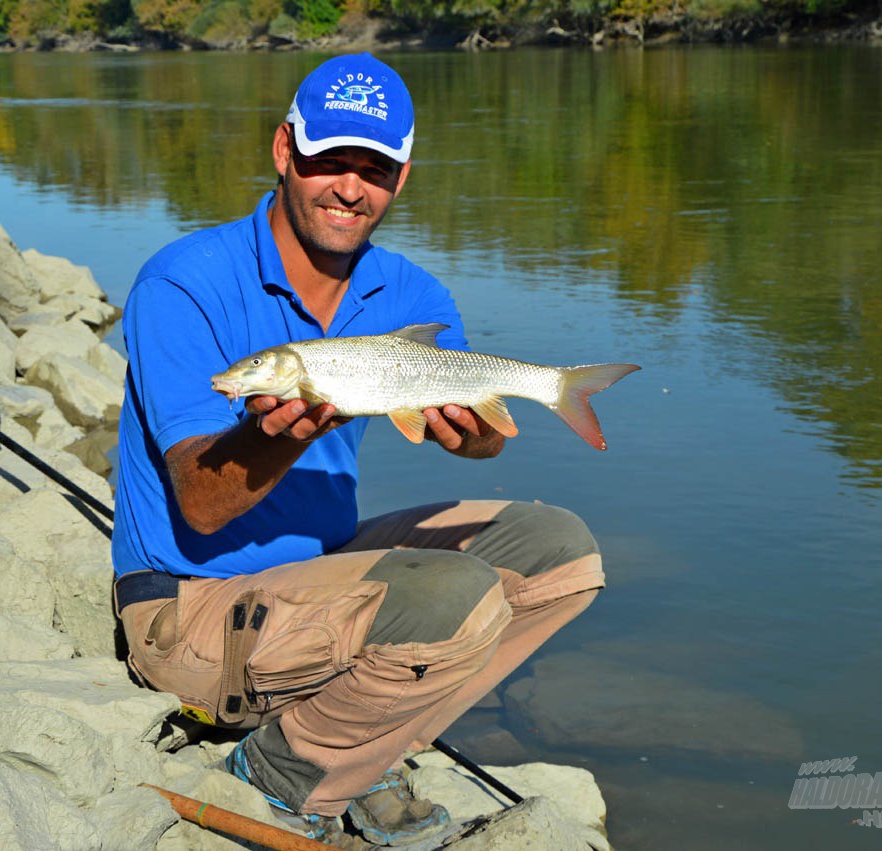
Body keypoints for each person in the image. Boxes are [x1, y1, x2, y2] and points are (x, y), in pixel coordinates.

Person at [112, 53, 606, 846]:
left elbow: (482, 445)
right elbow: (200, 508)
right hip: (190, 605)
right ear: (284, 152)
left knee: (561, 552)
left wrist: (472, 434)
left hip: (319, 572)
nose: (349, 187)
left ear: (401, 178)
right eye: (327, 161)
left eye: (372, 168)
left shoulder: (412, 296)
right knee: (453, 591)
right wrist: (284, 430)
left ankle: (366, 736)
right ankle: (281, 770)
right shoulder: (183, 282)